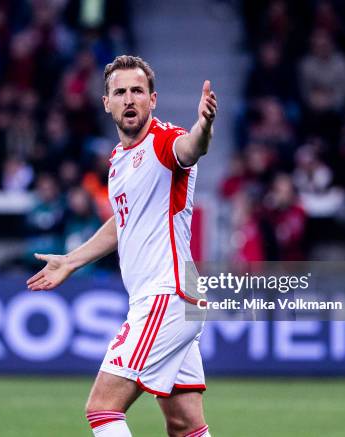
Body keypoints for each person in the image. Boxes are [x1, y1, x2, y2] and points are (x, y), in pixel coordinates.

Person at [27, 55, 217, 437]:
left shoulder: (164, 142)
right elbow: (120, 224)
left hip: (166, 295)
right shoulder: (117, 161)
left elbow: (191, 148)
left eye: (137, 91)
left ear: (153, 99)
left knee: (102, 409)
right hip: (176, 299)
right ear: (106, 103)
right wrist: (71, 260)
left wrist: (205, 126)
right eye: (120, 92)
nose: (129, 99)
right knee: (185, 425)